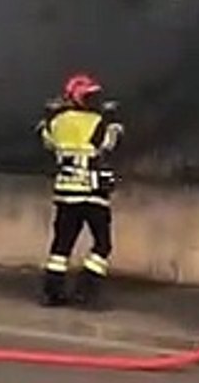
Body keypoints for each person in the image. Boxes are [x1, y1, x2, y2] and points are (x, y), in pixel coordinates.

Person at [39, 73, 123, 308]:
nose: (95, 100)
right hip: (92, 194)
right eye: (91, 96)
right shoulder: (96, 122)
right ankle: (85, 290)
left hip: (65, 194)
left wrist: (50, 113)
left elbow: (45, 138)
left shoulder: (57, 122)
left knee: (61, 246)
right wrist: (113, 119)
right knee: (102, 245)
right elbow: (109, 142)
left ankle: (52, 291)